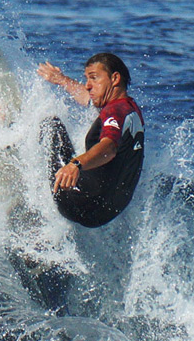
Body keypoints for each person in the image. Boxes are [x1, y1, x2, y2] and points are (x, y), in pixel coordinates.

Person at [36, 53, 144, 228]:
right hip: (109, 210)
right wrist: (61, 79)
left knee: (51, 126)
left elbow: (108, 147)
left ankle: (5, 134)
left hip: (78, 201)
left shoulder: (114, 111)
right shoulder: (129, 110)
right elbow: (87, 98)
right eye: (87, 79)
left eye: (94, 78)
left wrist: (76, 165)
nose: (87, 85)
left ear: (115, 78)